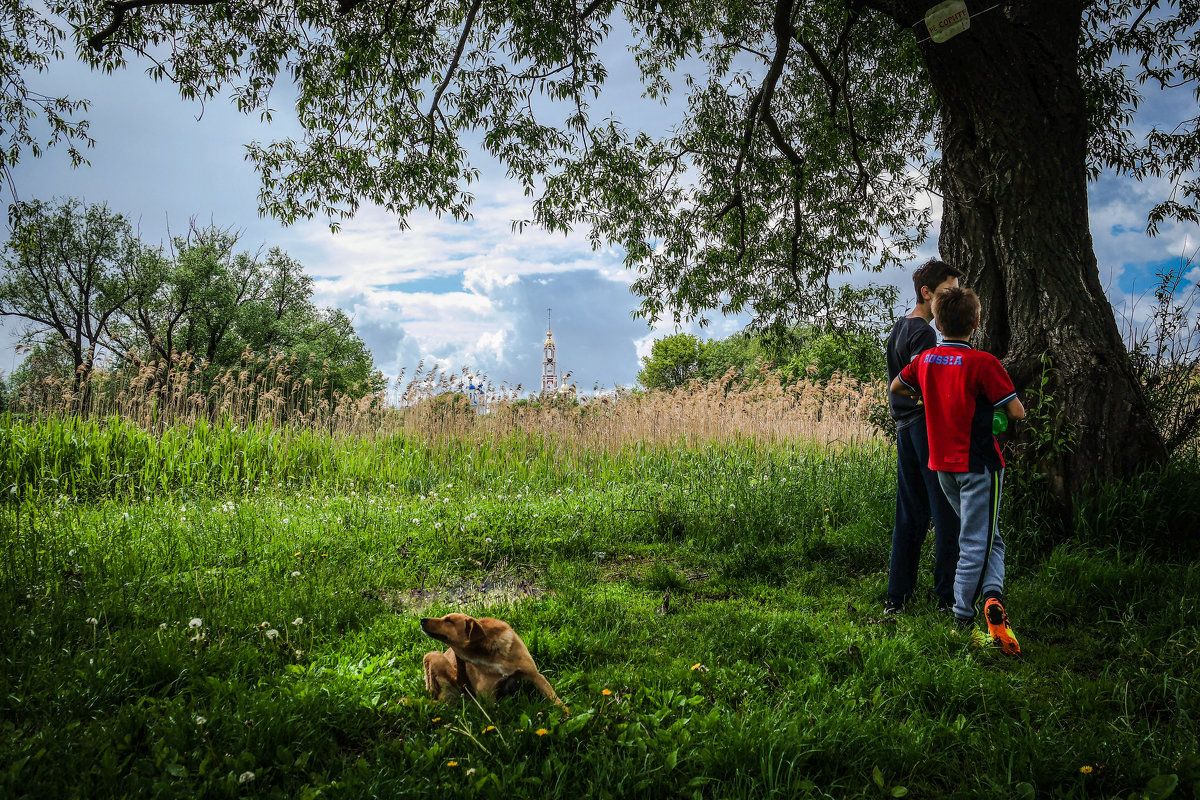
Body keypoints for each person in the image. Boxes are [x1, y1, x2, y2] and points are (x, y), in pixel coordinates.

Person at [889, 286, 1025, 656]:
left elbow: (896, 387)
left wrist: (929, 399)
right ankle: (964, 619)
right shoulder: (984, 363)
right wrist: (992, 412)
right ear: (976, 322)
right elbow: (1017, 412)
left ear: (939, 322)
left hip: (941, 465)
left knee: (987, 536)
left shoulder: (926, 360)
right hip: (980, 464)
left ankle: (992, 598)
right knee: (976, 543)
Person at [884, 259, 962, 616]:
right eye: (947, 291)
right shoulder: (926, 333)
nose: (952, 298)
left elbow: (896, 383)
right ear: (926, 293)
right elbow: (919, 378)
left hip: (904, 430)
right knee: (946, 512)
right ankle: (946, 598)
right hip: (924, 430)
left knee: (910, 514)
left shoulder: (898, 328)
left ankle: (896, 598)